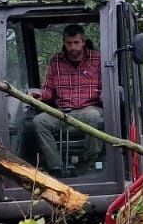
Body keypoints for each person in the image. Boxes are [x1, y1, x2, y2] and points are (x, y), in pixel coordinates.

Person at [29, 24, 105, 175]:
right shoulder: (56, 61)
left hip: (88, 108)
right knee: (39, 121)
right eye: (69, 43)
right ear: (64, 42)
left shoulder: (97, 59)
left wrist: (105, 95)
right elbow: (49, 90)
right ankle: (56, 167)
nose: (73, 47)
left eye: (76, 42)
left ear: (83, 42)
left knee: (94, 116)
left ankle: (88, 162)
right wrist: (39, 96)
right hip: (62, 111)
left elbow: (105, 87)